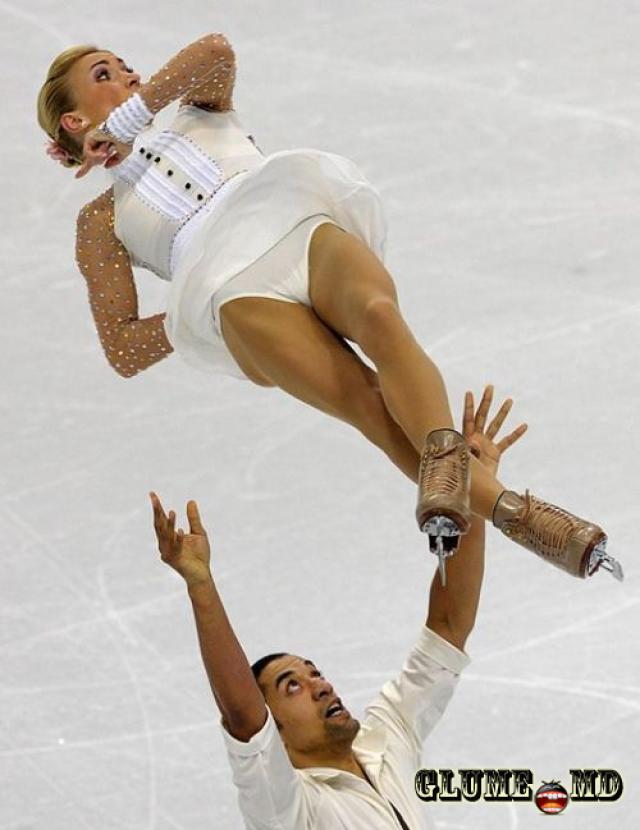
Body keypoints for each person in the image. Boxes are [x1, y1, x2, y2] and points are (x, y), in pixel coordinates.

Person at [37, 35, 622, 581]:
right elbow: (122, 349)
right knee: (366, 402)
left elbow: (215, 51)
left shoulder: (198, 110)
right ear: (74, 121)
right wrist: (187, 313)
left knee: (380, 316)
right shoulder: (99, 222)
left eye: (125, 66)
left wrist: (133, 114)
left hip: (290, 216)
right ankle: (514, 513)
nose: (131, 75)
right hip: (231, 291)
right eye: (105, 75)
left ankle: (468, 486)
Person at [149, 390, 523, 829]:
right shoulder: (288, 809)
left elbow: (448, 625)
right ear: (275, 733)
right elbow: (243, 716)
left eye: (314, 674)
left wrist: (470, 492)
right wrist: (201, 585)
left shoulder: (386, 741)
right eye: (292, 686)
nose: (321, 686)